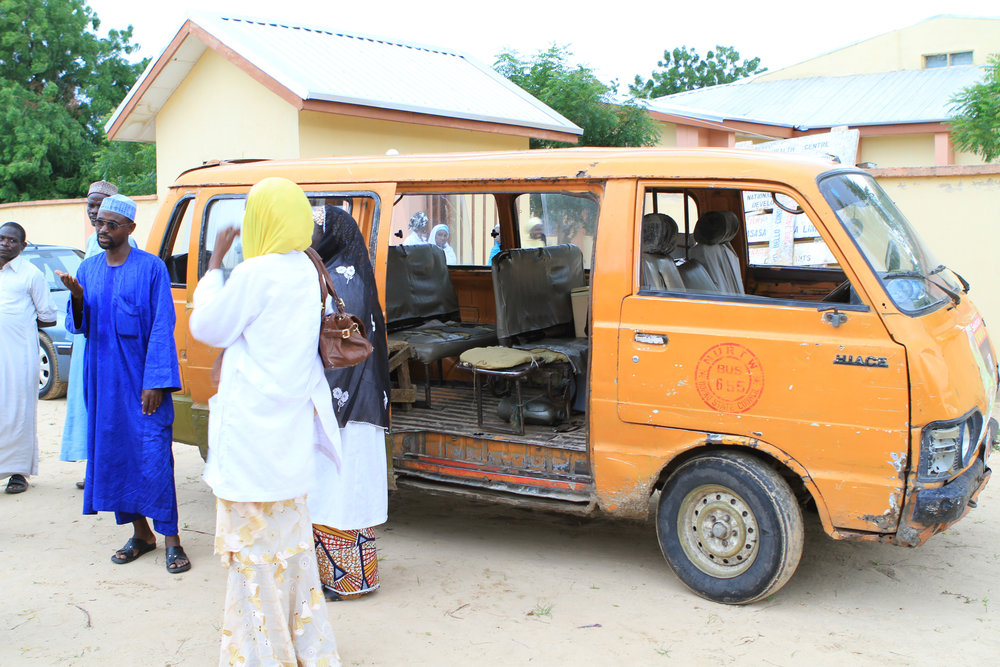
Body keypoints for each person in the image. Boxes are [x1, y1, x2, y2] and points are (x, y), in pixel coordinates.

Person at [188, 177, 341, 665]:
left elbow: (207, 326)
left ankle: (261, 655)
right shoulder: (306, 267)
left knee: (253, 561)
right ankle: (305, 648)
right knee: (292, 555)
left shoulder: (255, 273)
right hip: (290, 440)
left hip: (252, 442)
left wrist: (214, 265)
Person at [56, 195, 190, 573]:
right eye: (98, 223)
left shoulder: (151, 269)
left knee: (153, 457)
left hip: (145, 384)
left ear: (130, 228)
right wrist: (79, 298)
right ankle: (140, 534)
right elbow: (79, 326)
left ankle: (172, 540)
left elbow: (163, 327)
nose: (102, 230)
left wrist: (157, 382)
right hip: (105, 385)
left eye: (111, 224)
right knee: (114, 456)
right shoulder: (89, 269)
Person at [309, 204, 390, 601]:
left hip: (342, 405)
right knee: (347, 488)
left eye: (314, 229)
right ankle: (353, 578)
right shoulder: (345, 274)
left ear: (332, 235)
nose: (308, 237)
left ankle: (346, 580)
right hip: (358, 403)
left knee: (337, 489)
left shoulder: (338, 281)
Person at [61, 180, 137, 490]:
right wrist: (77, 297)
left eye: (101, 206)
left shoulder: (130, 253)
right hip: (88, 340)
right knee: (89, 402)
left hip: (113, 343)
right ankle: (97, 466)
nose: (95, 212)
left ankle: (109, 468)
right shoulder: (94, 243)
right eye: (91, 206)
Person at [0, 222, 58, 494]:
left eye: (12, 240)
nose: (4, 244)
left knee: (18, 412)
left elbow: (48, 315)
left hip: (19, 355)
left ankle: (19, 473)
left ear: (23, 246)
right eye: (1, 238)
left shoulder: (31, 274)